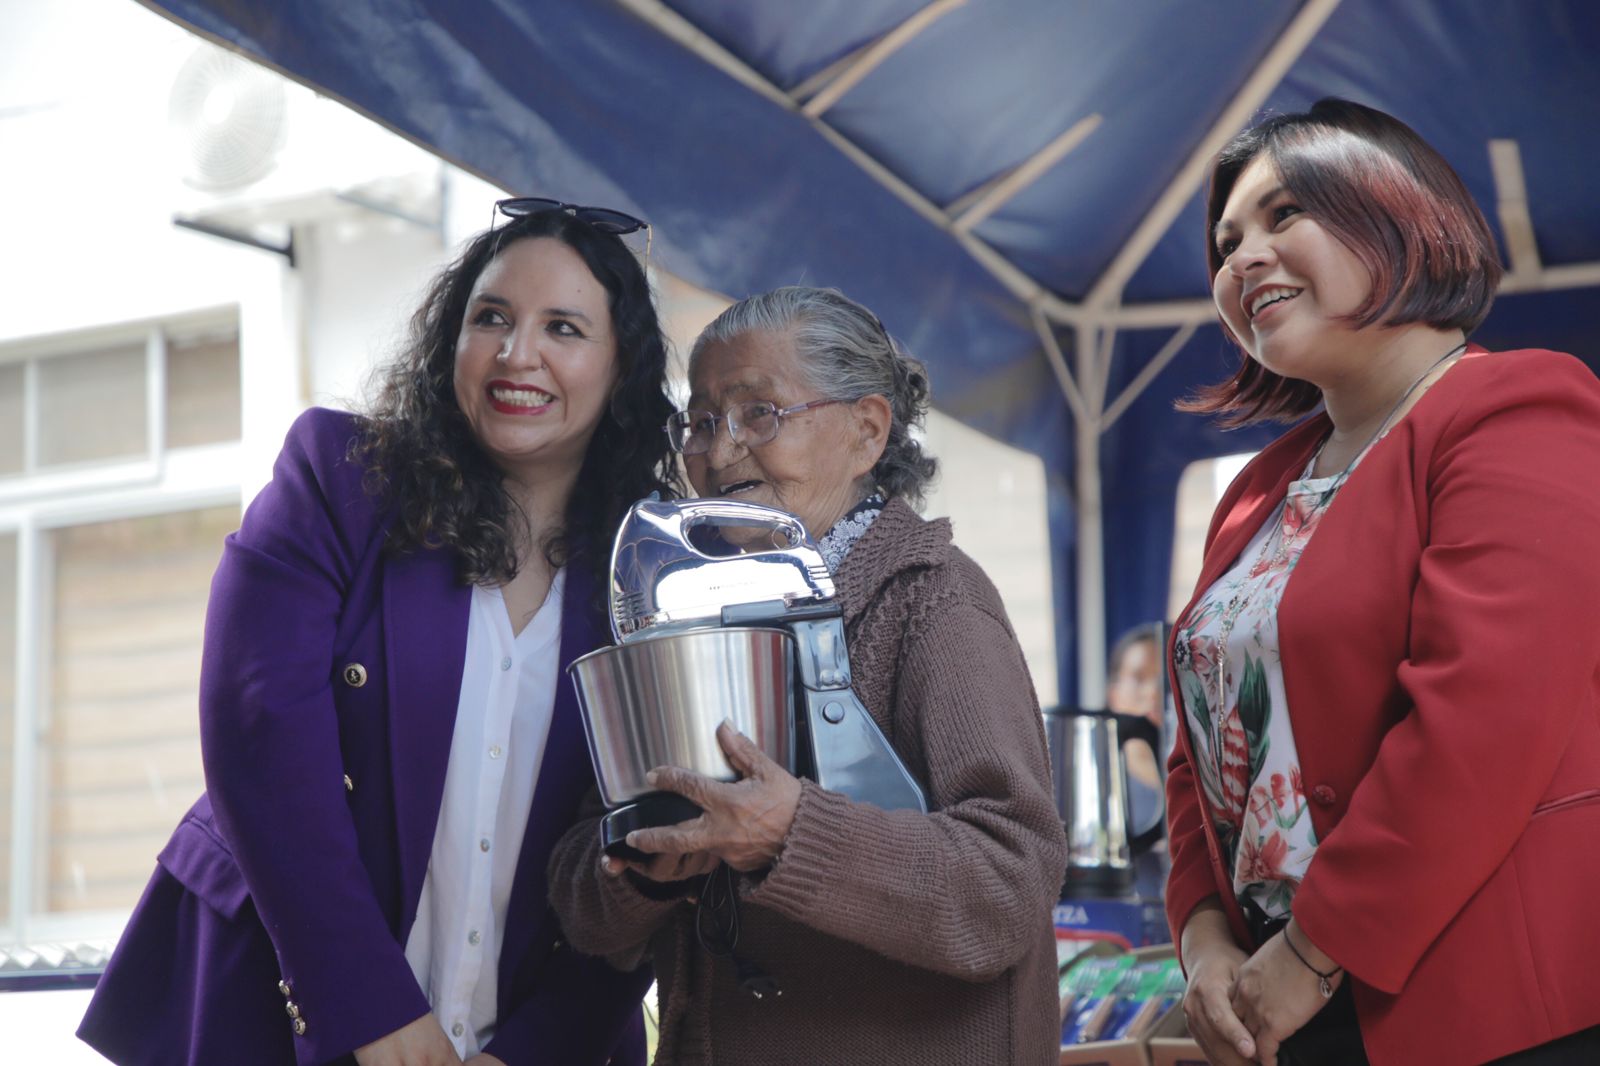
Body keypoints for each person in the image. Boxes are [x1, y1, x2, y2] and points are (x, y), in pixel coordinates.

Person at [77, 198, 678, 1066]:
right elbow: (259, 728)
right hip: (279, 1001)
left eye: (565, 328)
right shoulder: (340, 479)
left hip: (540, 1030)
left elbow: (656, 850)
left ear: (622, 368)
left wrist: (539, 1050)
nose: (518, 354)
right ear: (451, 343)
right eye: (492, 317)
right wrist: (367, 1006)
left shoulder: (654, 572)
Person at [1165, 98, 1600, 1066]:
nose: (1240, 257)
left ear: (1397, 216)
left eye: (1285, 216)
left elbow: (1484, 721)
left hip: (1486, 1004)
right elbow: (1200, 737)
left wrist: (1315, 953)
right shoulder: (1258, 488)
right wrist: (1200, 937)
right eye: (1226, 240)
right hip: (1276, 997)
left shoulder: (1517, 405)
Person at [547, 286, 1068, 1065]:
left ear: (865, 431)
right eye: (700, 423)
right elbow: (580, 904)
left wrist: (791, 836)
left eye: (760, 413)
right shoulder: (683, 617)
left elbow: (1008, 886)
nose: (720, 452)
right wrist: (649, 869)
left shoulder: (934, 602)